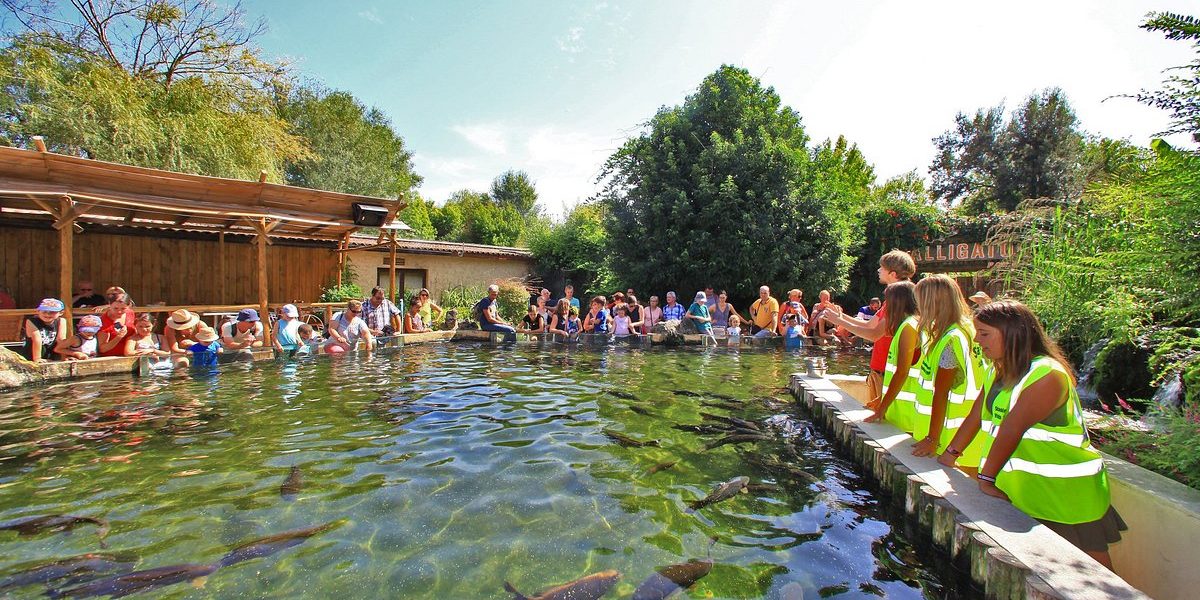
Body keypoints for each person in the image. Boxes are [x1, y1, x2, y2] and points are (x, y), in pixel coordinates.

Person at [939, 300, 1125, 569]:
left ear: (1013, 332)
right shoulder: (999, 369)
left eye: (984, 334)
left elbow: (1012, 428)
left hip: (1067, 493)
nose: (977, 341)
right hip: (1028, 492)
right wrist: (948, 456)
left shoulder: (1047, 374)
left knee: (1089, 568)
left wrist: (986, 478)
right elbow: (977, 415)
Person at [820, 250, 917, 412]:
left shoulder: (901, 299)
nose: (878, 270)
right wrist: (841, 317)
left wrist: (838, 321)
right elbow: (871, 324)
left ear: (892, 274)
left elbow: (873, 334)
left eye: (881, 268)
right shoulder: (894, 298)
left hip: (887, 372)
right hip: (880, 369)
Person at [910, 275, 986, 469]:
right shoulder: (968, 326)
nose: (918, 308)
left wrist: (932, 439)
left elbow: (941, 392)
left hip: (951, 436)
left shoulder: (950, 339)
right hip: (973, 433)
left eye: (920, 302)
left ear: (932, 303)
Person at [865, 282, 921, 432]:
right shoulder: (912, 324)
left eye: (887, 300)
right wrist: (882, 397)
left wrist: (882, 409)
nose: (884, 305)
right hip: (902, 413)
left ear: (897, 303)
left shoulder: (909, 327)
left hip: (906, 418)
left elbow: (902, 372)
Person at [20, 298, 68, 363]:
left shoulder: (61, 321)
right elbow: (37, 340)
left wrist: (64, 358)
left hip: (51, 355)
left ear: (61, 313)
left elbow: (61, 340)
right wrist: (37, 359)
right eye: (44, 311)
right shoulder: (31, 321)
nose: (47, 314)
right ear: (38, 311)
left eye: (52, 312)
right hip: (31, 356)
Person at [96, 292, 136, 357]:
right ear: (109, 305)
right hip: (111, 358)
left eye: (123, 309)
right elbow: (102, 349)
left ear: (129, 306)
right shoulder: (104, 321)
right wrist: (119, 337)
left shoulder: (130, 313)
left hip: (131, 355)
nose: (119, 312)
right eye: (116, 308)